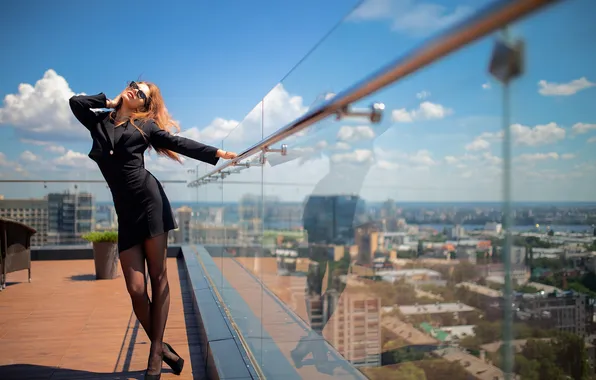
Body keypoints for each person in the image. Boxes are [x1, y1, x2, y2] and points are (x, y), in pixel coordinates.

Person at [69, 81, 237, 379]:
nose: (135, 90)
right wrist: (111, 102)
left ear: (145, 106)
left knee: (158, 276)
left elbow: (179, 142)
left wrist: (218, 153)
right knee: (135, 289)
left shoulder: (145, 127)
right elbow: (76, 102)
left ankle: (155, 353)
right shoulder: (97, 120)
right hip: (125, 213)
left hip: (150, 204)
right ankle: (164, 348)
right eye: (134, 85)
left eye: (142, 93)